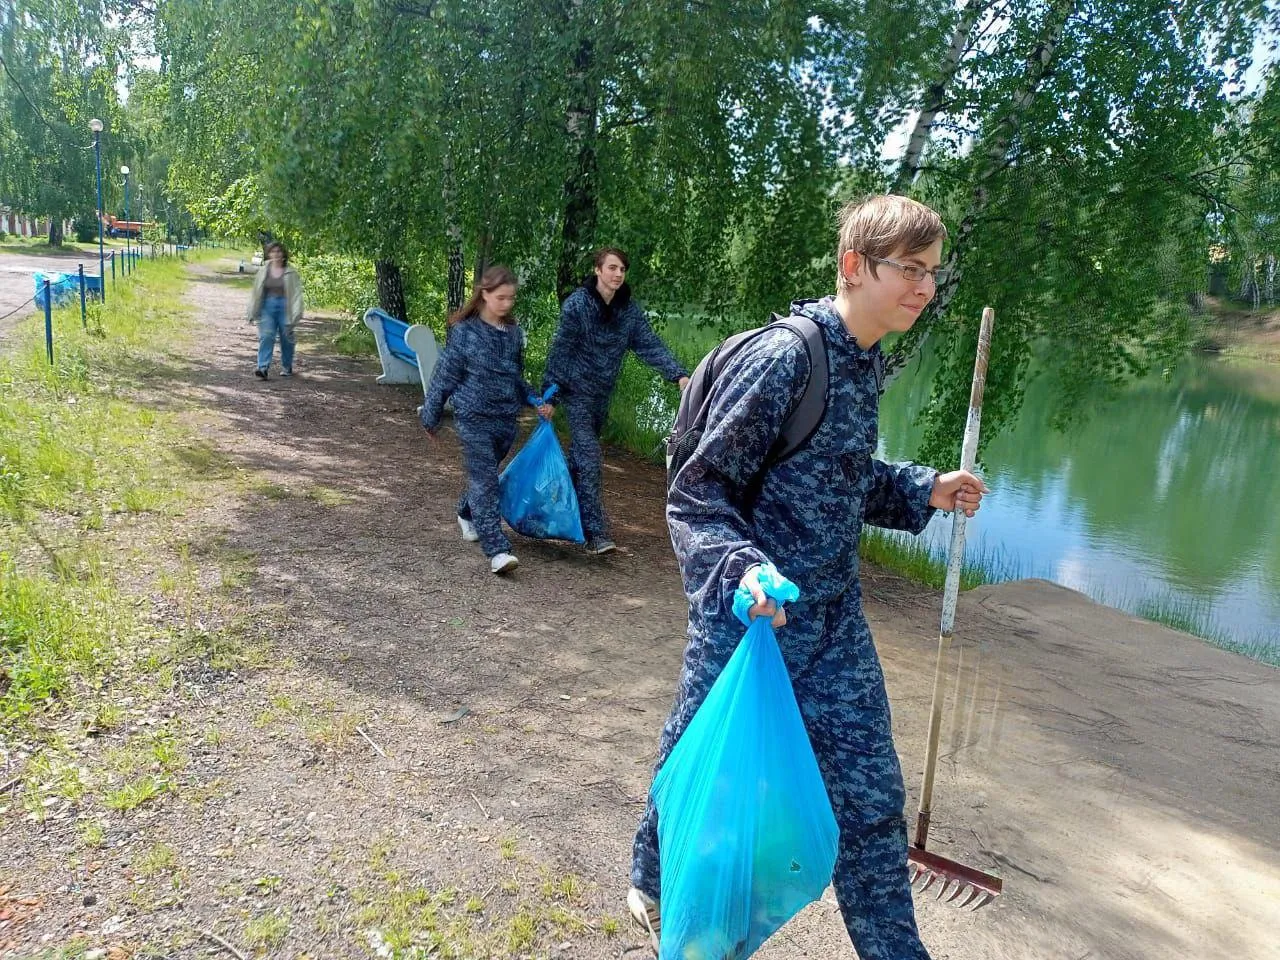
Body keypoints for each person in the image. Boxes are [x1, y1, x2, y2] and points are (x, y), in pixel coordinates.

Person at [627, 195, 988, 959]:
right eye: (910, 270)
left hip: (833, 626)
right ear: (855, 267)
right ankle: (655, 879)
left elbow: (838, 479)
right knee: (704, 765)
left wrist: (924, 488)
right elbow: (698, 492)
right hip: (751, 620)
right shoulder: (784, 358)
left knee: (870, 805)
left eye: (933, 272)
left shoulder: (862, 362)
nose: (924, 288)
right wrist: (747, 570)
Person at [542, 247, 690, 555]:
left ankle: (540, 508)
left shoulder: (628, 312)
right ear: (598, 270)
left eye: (622, 269)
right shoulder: (578, 306)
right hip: (576, 393)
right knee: (590, 456)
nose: (618, 274)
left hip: (601, 396)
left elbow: (649, 344)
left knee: (578, 463)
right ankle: (595, 534)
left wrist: (678, 376)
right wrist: (551, 395)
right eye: (612, 268)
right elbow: (561, 351)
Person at [420, 266, 554, 575]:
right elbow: (445, 378)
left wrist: (536, 401)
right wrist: (431, 416)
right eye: (501, 298)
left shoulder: (513, 334)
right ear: (485, 294)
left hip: (505, 420)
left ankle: (465, 513)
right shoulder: (465, 333)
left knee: (487, 476)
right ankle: (497, 550)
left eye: (511, 299)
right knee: (485, 482)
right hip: (473, 417)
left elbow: (516, 378)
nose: (507, 304)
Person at [246, 241, 303, 379]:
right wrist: (251, 310)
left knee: (286, 338)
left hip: (285, 307)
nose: (276, 254)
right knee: (266, 336)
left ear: (283, 254)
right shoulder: (263, 271)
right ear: (269, 254)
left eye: (279, 251)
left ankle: (287, 366)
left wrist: (296, 312)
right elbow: (256, 292)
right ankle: (263, 367)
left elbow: (296, 294)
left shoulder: (290, 272)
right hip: (267, 306)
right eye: (273, 251)